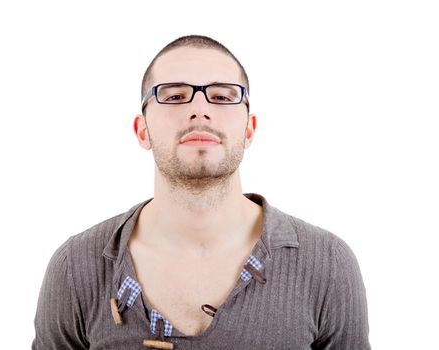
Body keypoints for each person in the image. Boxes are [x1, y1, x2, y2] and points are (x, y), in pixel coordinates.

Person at [32, 35, 370, 350]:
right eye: (175, 96)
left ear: (249, 130)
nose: (199, 109)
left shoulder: (327, 264)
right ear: (142, 130)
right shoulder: (75, 267)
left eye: (222, 96)